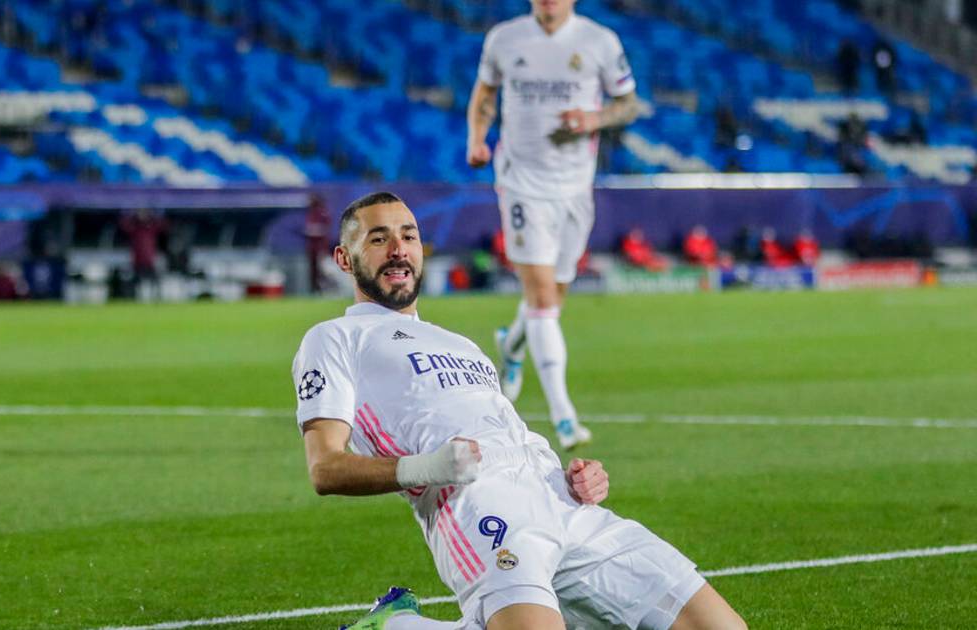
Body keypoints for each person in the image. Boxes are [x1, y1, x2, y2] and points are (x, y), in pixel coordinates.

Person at [296, 192, 746, 630]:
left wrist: (579, 477)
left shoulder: (461, 344)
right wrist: (430, 467)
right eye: (378, 239)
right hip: (477, 504)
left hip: (560, 496)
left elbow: (503, 432)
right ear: (343, 259)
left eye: (408, 236)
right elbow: (325, 469)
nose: (398, 249)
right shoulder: (335, 338)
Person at [466, 0, 640, 448]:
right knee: (543, 299)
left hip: (575, 188)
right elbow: (485, 93)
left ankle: (512, 346)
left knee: (552, 298)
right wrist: (476, 139)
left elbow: (628, 104)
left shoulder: (599, 41)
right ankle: (565, 418)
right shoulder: (505, 39)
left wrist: (594, 119)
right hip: (521, 183)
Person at [118, 208, 168, 302]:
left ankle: (156, 298)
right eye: (140, 213)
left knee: (155, 281)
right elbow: (124, 225)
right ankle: (133, 298)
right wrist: (127, 214)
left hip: (150, 260)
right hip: (137, 260)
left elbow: (163, 226)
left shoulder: (151, 228)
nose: (142, 216)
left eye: (144, 213)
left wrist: (158, 215)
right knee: (135, 281)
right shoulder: (135, 228)